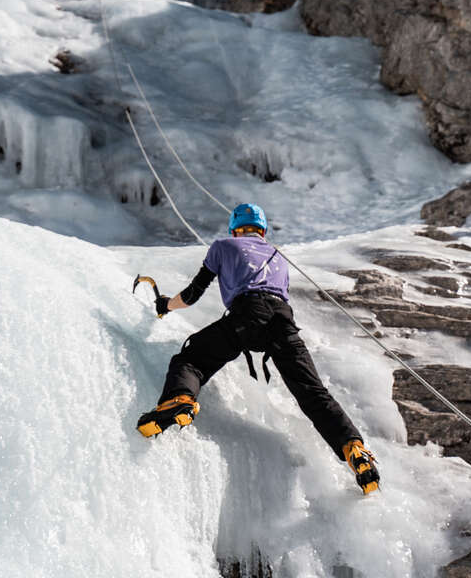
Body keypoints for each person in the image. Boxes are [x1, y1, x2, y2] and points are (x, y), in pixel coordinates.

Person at [137, 203, 380, 494]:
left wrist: (165, 305)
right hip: (283, 322)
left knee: (192, 358)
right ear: (262, 229)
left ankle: (180, 400)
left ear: (235, 228)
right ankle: (354, 448)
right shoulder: (279, 257)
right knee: (313, 392)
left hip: (246, 317)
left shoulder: (223, 246)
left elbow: (192, 295)